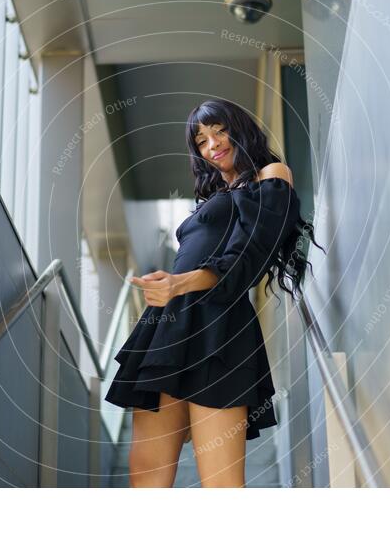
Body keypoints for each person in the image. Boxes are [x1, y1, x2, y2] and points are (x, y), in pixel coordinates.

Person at [104, 98, 323, 488]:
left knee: (221, 484)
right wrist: (171, 287)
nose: (212, 144)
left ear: (240, 129)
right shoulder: (214, 197)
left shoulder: (271, 175)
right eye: (201, 141)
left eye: (219, 131)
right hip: (169, 326)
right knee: (145, 475)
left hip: (220, 328)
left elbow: (247, 259)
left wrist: (178, 284)